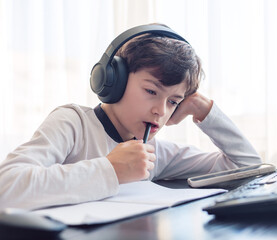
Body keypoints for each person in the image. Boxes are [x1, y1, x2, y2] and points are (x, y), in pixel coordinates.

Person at [0, 24, 261, 211]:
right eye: (150, 91)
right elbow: (6, 187)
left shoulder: (152, 151)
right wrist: (111, 170)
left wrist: (205, 109)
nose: (161, 110)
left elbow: (248, 167)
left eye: (173, 101)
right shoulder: (73, 123)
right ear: (114, 80)